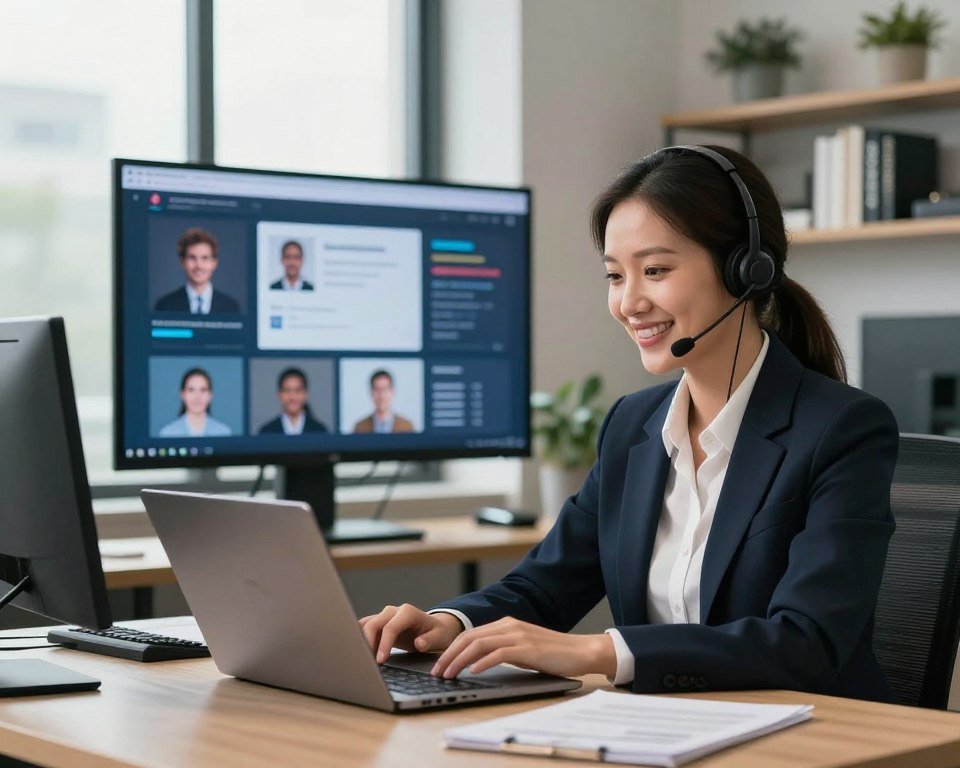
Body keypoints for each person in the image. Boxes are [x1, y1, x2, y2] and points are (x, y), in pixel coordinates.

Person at [359, 145, 900, 703]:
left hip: (814, 730)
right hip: (666, 727)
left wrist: (600, 652)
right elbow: (545, 585)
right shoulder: (632, 425)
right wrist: (449, 623)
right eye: (616, 276)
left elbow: (806, 643)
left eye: (655, 270)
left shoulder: (843, 429)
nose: (629, 302)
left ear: (745, 269)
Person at [154, 227, 241, 314]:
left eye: (205, 258)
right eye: (192, 258)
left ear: (214, 263)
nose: (199, 266)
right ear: (182, 262)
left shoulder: (231, 307)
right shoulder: (165, 305)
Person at [158, 368, 233, 437]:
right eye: (191, 390)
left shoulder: (224, 433)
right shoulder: (168, 433)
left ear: (210, 395)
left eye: (203, 390)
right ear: (182, 395)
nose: (197, 397)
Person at [258, 367, 330, 435]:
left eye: (298, 390)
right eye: (287, 390)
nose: (293, 397)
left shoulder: (320, 431)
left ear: (305, 394)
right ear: (280, 395)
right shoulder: (267, 432)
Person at [353, 369, 414, 433]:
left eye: (385, 389)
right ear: (371, 393)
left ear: (392, 392)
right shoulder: (360, 428)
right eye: (377, 390)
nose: (381, 395)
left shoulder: (406, 427)